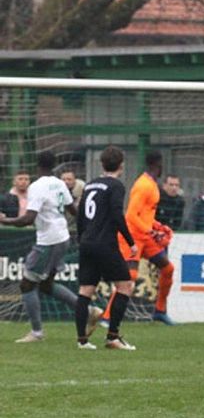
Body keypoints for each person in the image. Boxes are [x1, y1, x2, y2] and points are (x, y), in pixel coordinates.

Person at [0, 151, 101, 343]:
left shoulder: (37, 186)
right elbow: (73, 210)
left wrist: (6, 220)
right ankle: (88, 311)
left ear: (37, 166)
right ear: (54, 166)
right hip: (62, 237)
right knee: (45, 285)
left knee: (27, 284)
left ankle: (37, 333)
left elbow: (28, 218)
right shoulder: (59, 183)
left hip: (48, 241)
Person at [100, 150, 177, 326]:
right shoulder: (143, 185)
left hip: (145, 237)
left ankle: (160, 311)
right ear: (159, 165)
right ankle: (107, 317)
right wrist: (151, 232)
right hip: (132, 237)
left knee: (168, 269)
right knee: (129, 277)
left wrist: (157, 226)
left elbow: (145, 214)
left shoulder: (151, 184)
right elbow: (131, 216)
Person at [74, 145, 138, 350]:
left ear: (101, 164)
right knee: (125, 286)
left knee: (85, 290)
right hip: (105, 244)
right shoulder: (116, 186)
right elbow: (117, 214)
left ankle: (82, 341)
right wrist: (131, 242)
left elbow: (81, 215)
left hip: (87, 242)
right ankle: (113, 336)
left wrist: (81, 238)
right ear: (121, 165)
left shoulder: (90, 185)